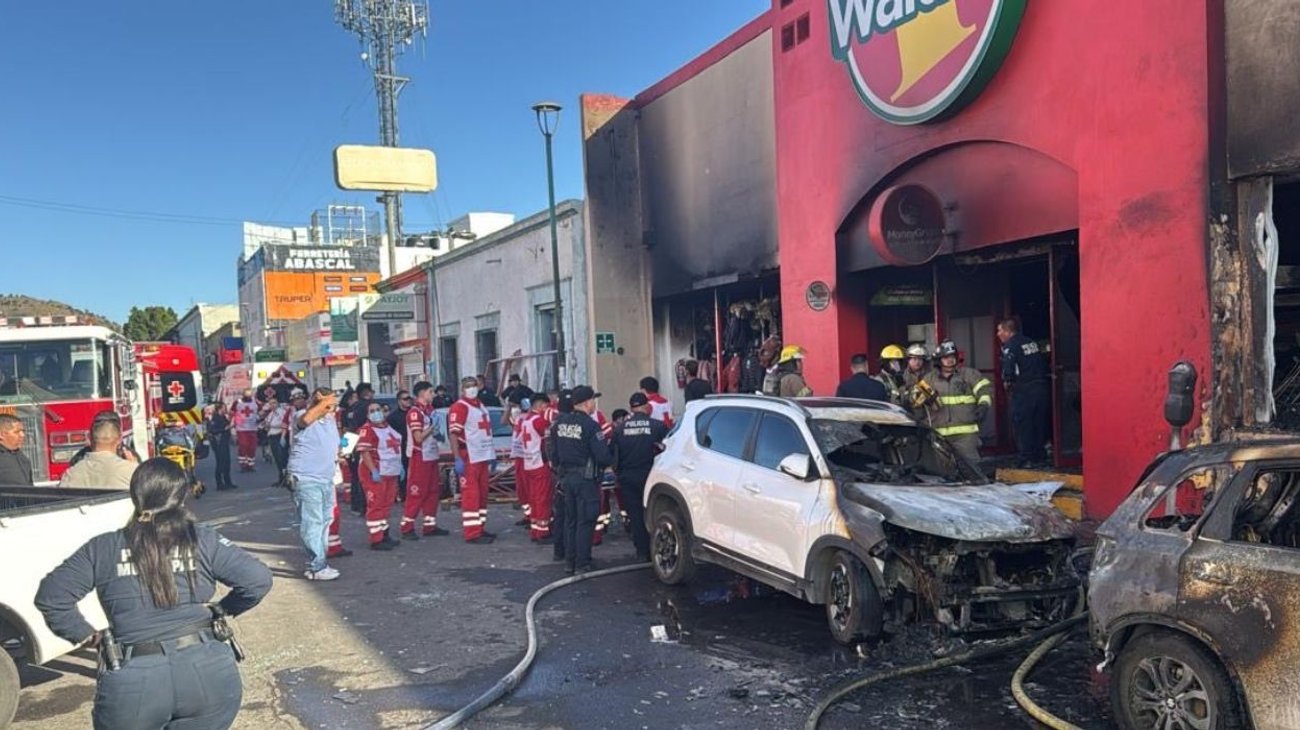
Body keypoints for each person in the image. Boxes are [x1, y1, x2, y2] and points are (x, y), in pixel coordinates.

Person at [35, 458, 272, 730]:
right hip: (208, 673)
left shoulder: (103, 548)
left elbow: (52, 597)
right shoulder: (202, 539)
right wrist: (221, 610)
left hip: (133, 681)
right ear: (182, 497)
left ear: (135, 496)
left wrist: (87, 635)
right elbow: (258, 580)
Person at [548, 386, 614, 574]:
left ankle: (570, 561)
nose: (594, 404)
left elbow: (554, 453)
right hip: (585, 481)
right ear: (586, 403)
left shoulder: (560, 423)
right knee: (585, 521)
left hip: (566, 478)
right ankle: (583, 563)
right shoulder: (590, 426)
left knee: (571, 520)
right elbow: (602, 457)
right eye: (593, 400)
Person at [287, 388, 344, 581]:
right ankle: (316, 566)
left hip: (326, 478)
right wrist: (321, 404)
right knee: (312, 522)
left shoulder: (330, 421)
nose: (333, 408)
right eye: (329, 404)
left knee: (324, 521)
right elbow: (305, 421)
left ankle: (320, 562)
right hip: (306, 478)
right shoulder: (302, 416)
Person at [612, 393, 670, 562]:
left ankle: (642, 552)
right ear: (646, 407)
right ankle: (658, 548)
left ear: (631, 408)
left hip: (628, 477)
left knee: (636, 515)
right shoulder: (658, 426)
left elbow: (614, 457)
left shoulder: (620, 429)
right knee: (655, 512)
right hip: (650, 476)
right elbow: (669, 448)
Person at [923, 340, 993, 465]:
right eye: (946, 357)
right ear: (939, 360)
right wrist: (924, 399)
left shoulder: (969, 374)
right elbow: (915, 398)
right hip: (939, 434)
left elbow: (985, 390)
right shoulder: (930, 379)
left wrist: (983, 405)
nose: (950, 360)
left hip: (966, 435)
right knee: (942, 469)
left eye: (952, 357)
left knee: (972, 468)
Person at [998, 318, 1052, 468]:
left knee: (1023, 424)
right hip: (1041, 387)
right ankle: (1039, 455)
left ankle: (1025, 458)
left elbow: (1009, 368)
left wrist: (1007, 383)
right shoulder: (1031, 342)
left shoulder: (1010, 346)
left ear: (1008, 331)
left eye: (1000, 330)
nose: (998, 334)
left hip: (1024, 390)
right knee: (1039, 422)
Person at [449, 376, 497, 544]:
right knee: (471, 495)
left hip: (482, 455)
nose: (472, 389)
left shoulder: (480, 406)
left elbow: (485, 431)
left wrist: (491, 454)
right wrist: (457, 458)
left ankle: (480, 527)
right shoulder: (460, 407)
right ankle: (472, 533)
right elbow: (454, 434)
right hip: (468, 456)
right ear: (462, 390)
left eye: (474, 386)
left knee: (482, 495)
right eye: (468, 386)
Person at [401, 381, 447, 539]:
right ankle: (407, 527)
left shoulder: (430, 411)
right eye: (430, 392)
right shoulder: (415, 412)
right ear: (422, 393)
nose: (433, 395)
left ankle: (430, 525)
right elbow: (418, 437)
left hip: (432, 455)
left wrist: (438, 433)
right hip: (420, 456)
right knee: (417, 492)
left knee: (433, 492)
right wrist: (432, 428)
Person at [356, 400, 403, 551]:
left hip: (390, 471)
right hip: (375, 471)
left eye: (378, 409)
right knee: (376, 504)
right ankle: (376, 539)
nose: (376, 412)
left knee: (386, 504)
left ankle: (384, 534)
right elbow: (365, 451)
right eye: (372, 410)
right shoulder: (367, 429)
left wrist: (399, 466)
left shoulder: (387, 427)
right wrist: (373, 470)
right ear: (367, 415)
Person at [60, 417, 137, 489]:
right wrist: (137, 469)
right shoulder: (130, 471)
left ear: (89, 439)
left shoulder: (71, 474)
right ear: (119, 440)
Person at [520, 394, 554, 541]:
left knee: (534, 498)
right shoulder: (539, 421)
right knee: (542, 498)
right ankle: (542, 532)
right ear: (541, 405)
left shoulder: (525, 420)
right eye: (546, 407)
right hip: (540, 463)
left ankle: (535, 529)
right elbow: (548, 439)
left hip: (528, 463)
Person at [68, 410, 142, 469]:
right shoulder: (130, 460)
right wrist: (134, 468)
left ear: (90, 437)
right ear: (119, 437)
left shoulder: (77, 462)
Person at [388, 389, 412, 502]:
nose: (408, 401)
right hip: (400, 450)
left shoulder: (414, 413)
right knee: (403, 474)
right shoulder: (393, 417)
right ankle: (403, 495)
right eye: (405, 399)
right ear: (399, 401)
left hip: (414, 448)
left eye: (409, 398)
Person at [262, 395, 292, 486]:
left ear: (278, 403)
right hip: (272, 437)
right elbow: (267, 422)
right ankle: (281, 478)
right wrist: (265, 424)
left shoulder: (281, 412)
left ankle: (286, 479)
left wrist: (270, 426)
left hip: (279, 436)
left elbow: (283, 424)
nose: (272, 405)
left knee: (282, 458)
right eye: (270, 403)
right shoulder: (271, 413)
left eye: (274, 403)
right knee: (277, 459)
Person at [208, 402, 236, 490]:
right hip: (218, 443)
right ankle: (219, 484)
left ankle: (228, 482)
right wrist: (224, 429)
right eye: (224, 408)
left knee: (227, 462)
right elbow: (212, 430)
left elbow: (227, 424)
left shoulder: (223, 417)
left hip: (224, 442)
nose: (226, 409)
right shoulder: (214, 418)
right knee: (220, 463)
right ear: (220, 408)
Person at [0, 413, 33, 486]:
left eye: (23, 431)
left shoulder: (22, 457)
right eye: (17, 432)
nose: (22, 435)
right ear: (2, 435)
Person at [232, 389, 260, 472]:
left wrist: (259, 418)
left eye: (250, 394)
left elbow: (261, 411)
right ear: (243, 395)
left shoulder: (255, 402)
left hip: (252, 428)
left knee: (252, 447)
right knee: (243, 446)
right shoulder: (238, 402)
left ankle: (250, 465)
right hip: (241, 429)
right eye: (246, 394)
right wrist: (236, 420)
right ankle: (243, 465)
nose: (248, 396)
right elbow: (231, 412)